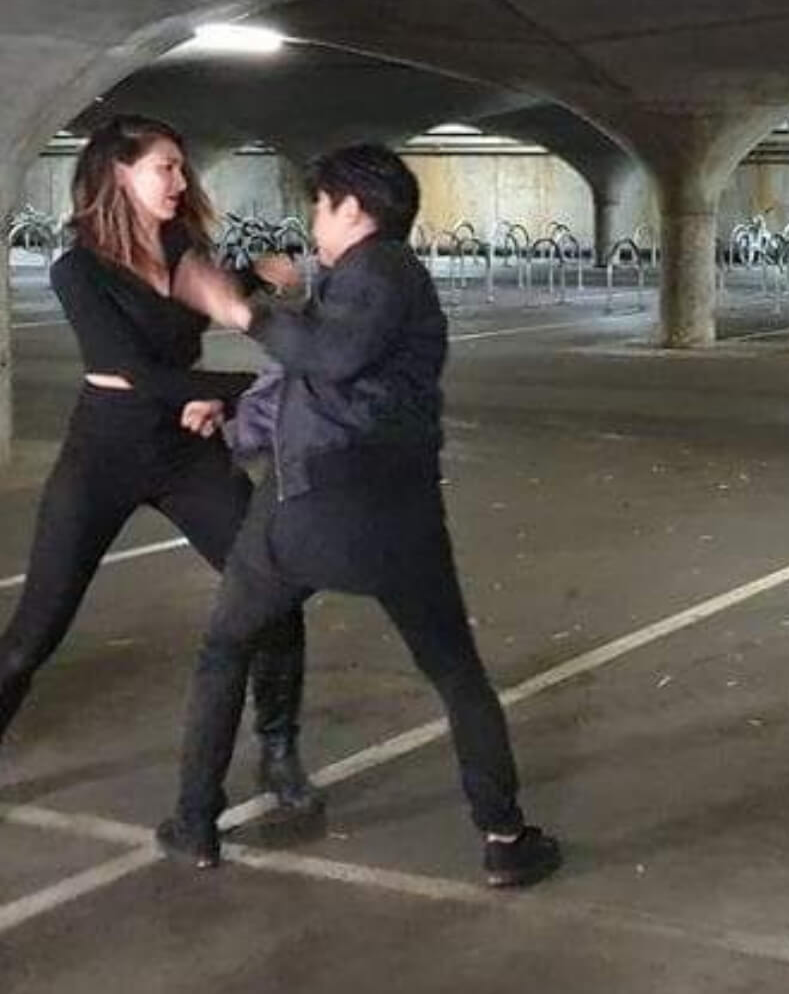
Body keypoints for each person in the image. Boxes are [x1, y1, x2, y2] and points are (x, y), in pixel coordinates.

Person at [158, 142, 562, 888]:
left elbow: (331, 357)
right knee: (455, 673)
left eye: (320, 205)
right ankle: (504, 836)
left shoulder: (381, 271)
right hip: (389, 516)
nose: (314, 220)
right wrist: (234, 413)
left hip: (316, 510)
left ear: (351, 205)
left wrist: (241, 307)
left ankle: (194, 821)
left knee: (225, 650)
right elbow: (308, 378)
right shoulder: (359, 281)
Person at [0, 115, 321, 831]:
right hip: (102, 457)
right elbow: (133, 371)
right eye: (165, 167)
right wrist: (251, 393)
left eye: (181, 167)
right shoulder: (79, 269)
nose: (180, 180)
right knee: (36, 629)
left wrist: (268, 294)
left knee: (273, 589)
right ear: (118, 173)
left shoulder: (181, 247)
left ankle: (279, 751)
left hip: (186, 453)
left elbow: (214, 302)